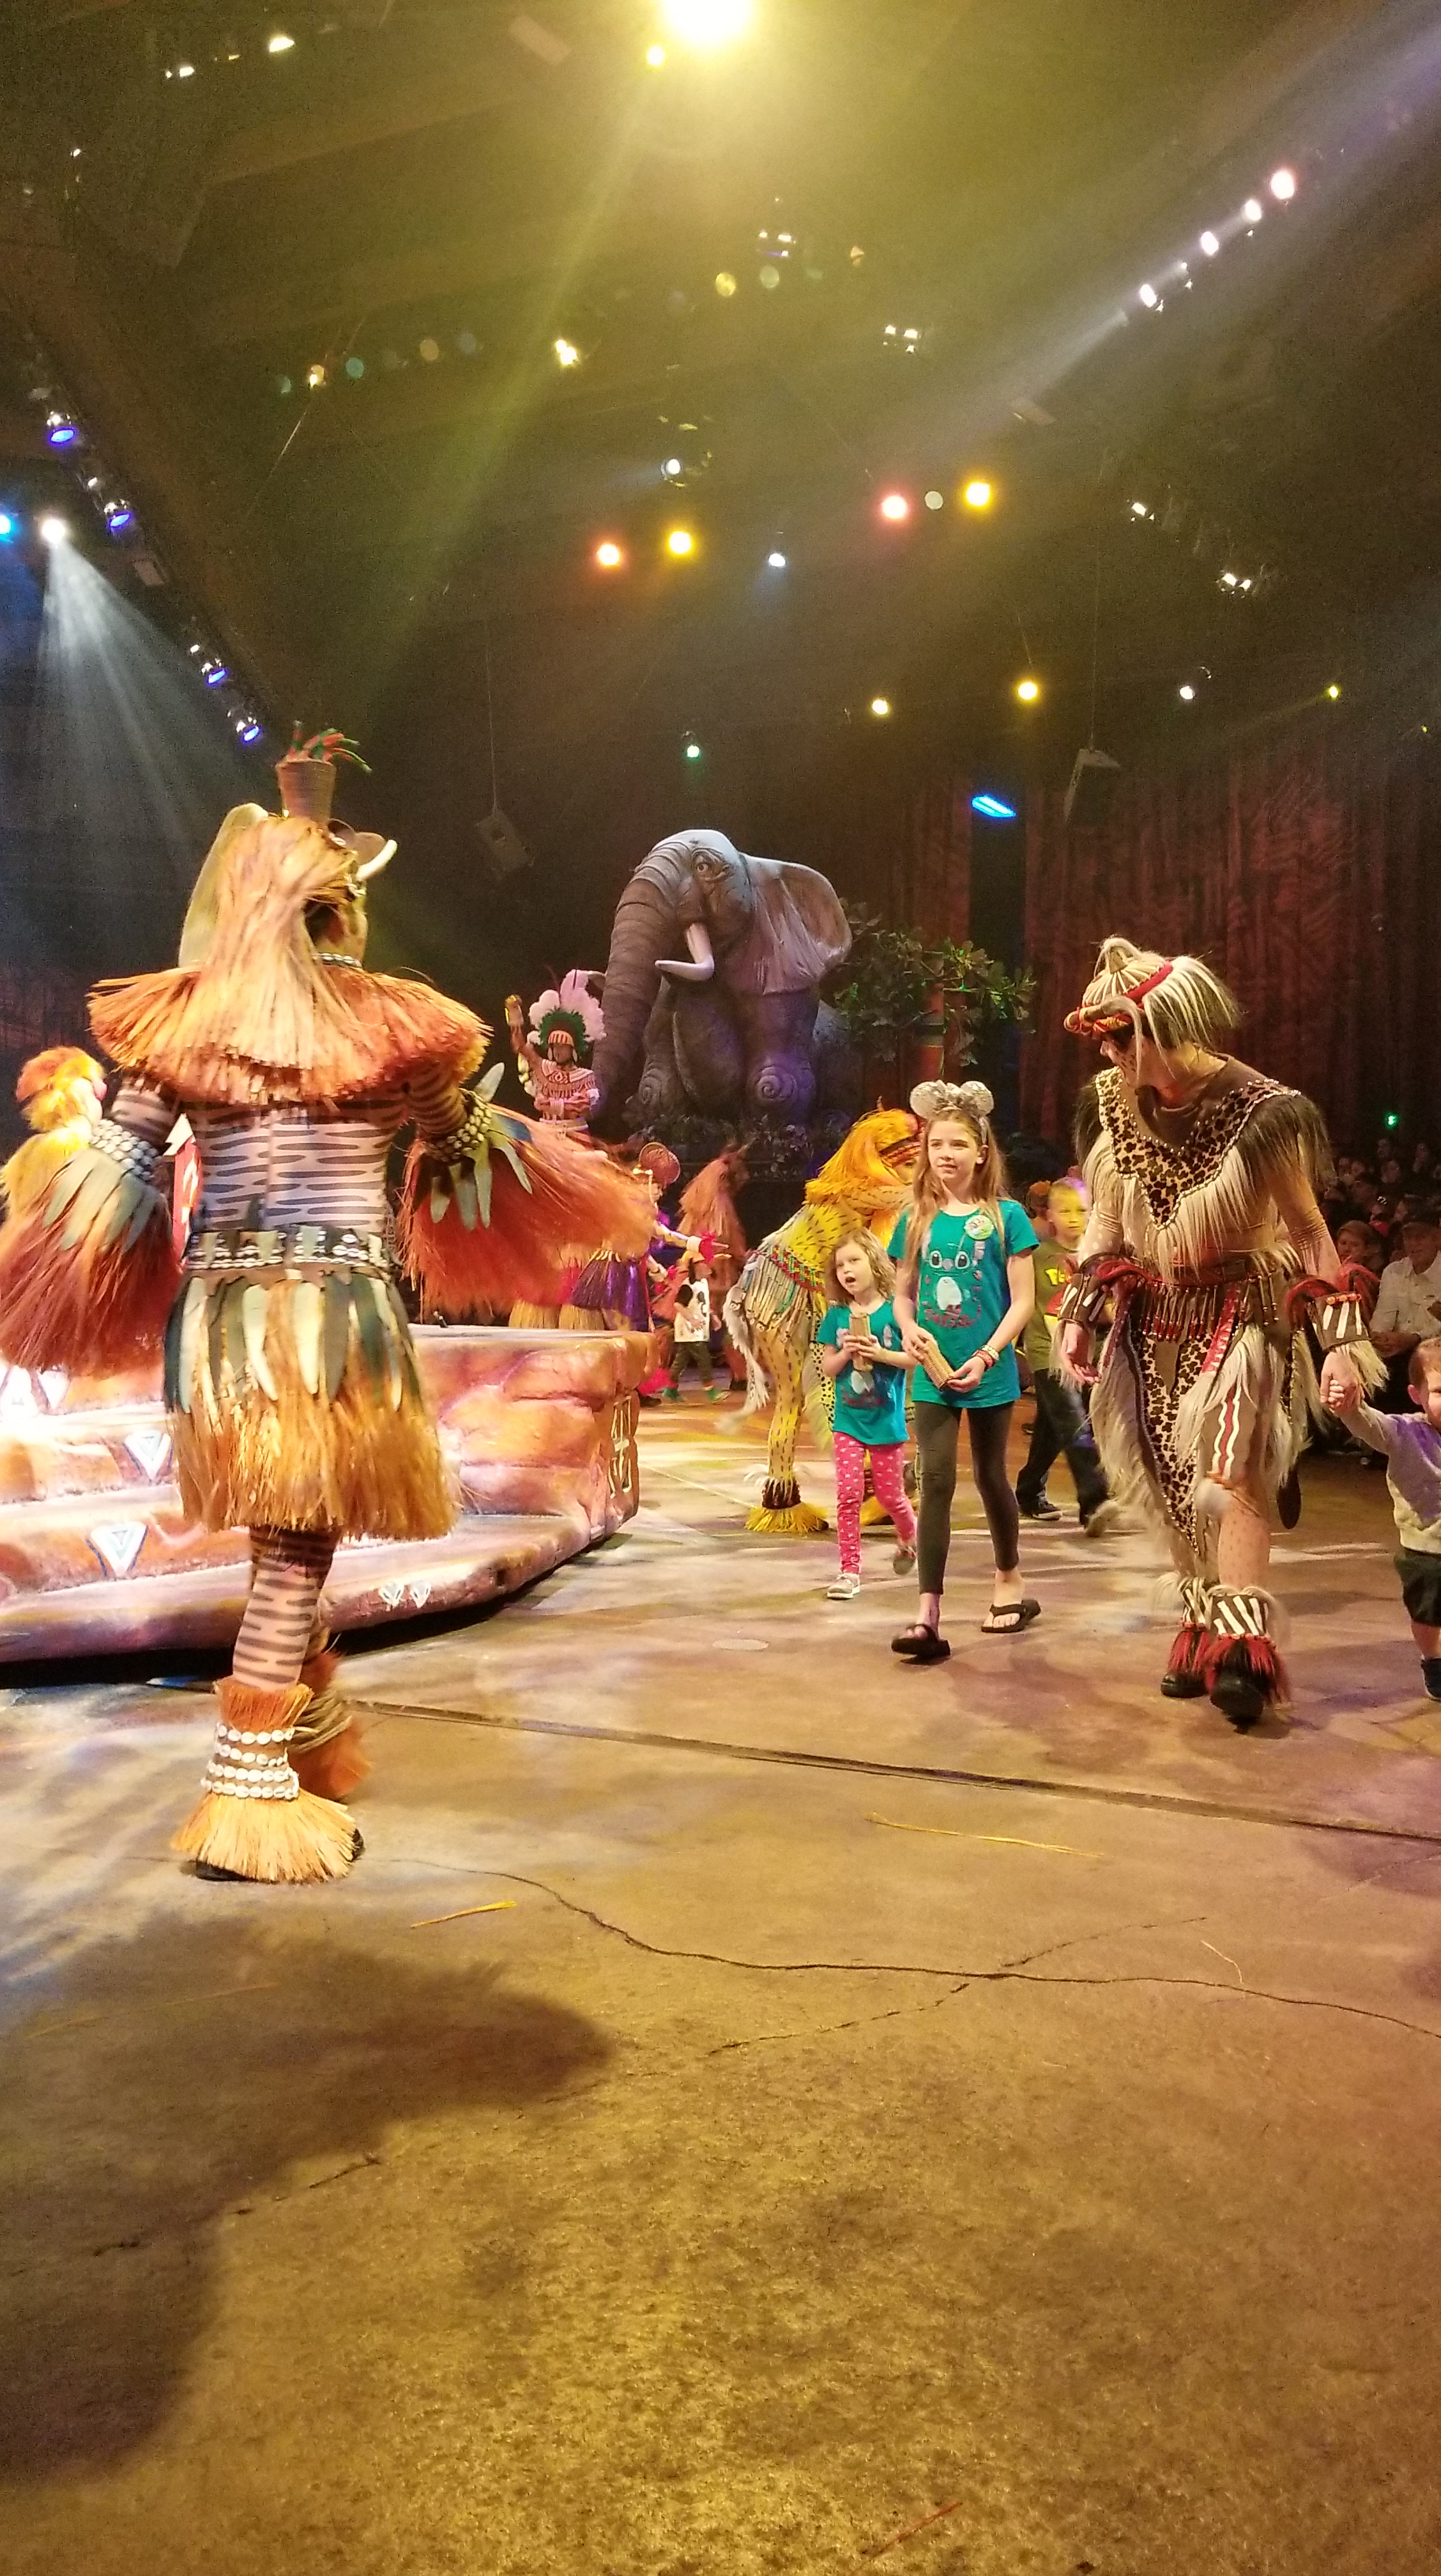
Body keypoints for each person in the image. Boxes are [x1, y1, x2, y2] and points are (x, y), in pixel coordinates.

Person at [0, 741, 650, 1884]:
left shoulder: (192, 1032)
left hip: (228, 1318)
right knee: (299, 1542)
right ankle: (246, 1782)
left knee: (288, 1533)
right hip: (325, 1318)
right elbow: (460, 1145)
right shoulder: (382, 1027)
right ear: (333, 908)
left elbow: (123, 1167)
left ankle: (306, 1736)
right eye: (345, 892)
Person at [1057, 936, 1379, 1728]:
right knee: (1170, 1480)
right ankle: (1198, 1622)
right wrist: (1081, 1315)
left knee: (1229, 1471)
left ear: (1169, 1027)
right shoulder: (1110, 1102)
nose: (1109, 1052)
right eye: (1103, 1037)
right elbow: (1105, 1220)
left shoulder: (1262, 1111)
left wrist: (1342, 1344)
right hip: (1153, 1312)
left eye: (1122, 1035)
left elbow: (1308, 1230)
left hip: (1242, 1307)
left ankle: (1242, 1647)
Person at [887, 1080, 1039, 1664]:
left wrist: (987, 1356)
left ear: (981, 1151)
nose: (945, 1155)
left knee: (992, 1476)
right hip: (932, 1372)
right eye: (936, 1144)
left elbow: (1022, 1301)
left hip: (989, 1370)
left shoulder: (1007, 1217)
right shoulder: (915, 1220)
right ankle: (927, 1614)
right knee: (935, 1482)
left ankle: (1009, 1581)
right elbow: (902, 1295)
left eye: (957, 1144)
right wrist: (908, 1328)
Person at [1332, 1337, 1441, 1699]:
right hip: (1426, 1551)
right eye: (1440, 1391)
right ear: (1416, 1395)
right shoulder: (1407, 1433)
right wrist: (1349, 1407)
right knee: (1427, 1616)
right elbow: (1370, 1425)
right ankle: (1433, 1661)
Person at [814, 1229, 917, 1600]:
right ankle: (849, 1571)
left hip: (886, 1423)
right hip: (848, 1423)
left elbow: (914, 1359)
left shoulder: (896, 1312)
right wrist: (846, 1352)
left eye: (854, 1260)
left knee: (891, 1497)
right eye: (840, 1265)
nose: (847, 1270)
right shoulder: (837, 1316)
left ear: (874, 1261)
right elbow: (827, 1367)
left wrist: (880, 1354)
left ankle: (909, 1535)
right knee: (848, 1496)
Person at [1016, 1176, 1110, 1528]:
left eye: (1081, 1211)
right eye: (1065, 1211)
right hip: (1049, 1357)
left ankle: (1029, 1490)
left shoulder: (1099, 1258)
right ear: (1049, 1214)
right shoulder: (1037, 1257)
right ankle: (1095, 1503)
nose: (1073, 1218)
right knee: (1076, 1425)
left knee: (1052, 1429)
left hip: (1089, 1356)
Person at [504, 972, 602, 1127]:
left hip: (574, 1134)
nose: (557, 1051)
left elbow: (584, 1108)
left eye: (562, 1046)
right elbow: (520, 1046)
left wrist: (553, 1105)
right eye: (554, 1046)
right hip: (545, 1131)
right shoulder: (544, 1068)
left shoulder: (585, 1077)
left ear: (572, 1050)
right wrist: (514, 1016)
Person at [1369, 1204, 1441, 1412]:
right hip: (1395, 1354)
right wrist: (1380, 1337)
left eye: (1421, 1237)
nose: (1413, 1244)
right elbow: (1383, 1317)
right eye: (1408, 1238)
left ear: (1437, 1238)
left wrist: (1413, 1339)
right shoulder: (1394, 1271)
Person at [669, 1254, 719, 1398]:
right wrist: (691, 1319)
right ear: (696, 1266)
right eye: (705, 1263)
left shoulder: (703, 1283)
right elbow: (678, 1305)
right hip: (689, 1329)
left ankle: (671, 1389)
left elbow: (702, 1304)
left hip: (698, 1329)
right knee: (703, 1358)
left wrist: (713, 1316)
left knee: (681, 1360)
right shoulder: (688, 1286)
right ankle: (710, 1389)